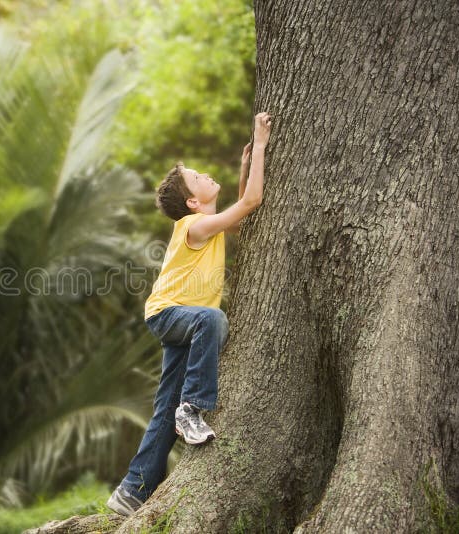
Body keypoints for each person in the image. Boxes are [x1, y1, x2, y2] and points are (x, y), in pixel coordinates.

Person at [106, 112, 272, 516]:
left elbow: (236, 220)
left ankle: (132, 491)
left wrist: (245, 168)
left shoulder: (208, 225)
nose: (204, 175)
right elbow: (251, 203)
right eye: (197, 177)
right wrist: (263, 144)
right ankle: (192, 409)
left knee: (163, 408)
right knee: (212, 320)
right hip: (171, 315)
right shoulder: (193, 227)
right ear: (193, 202)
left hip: (179, 322)